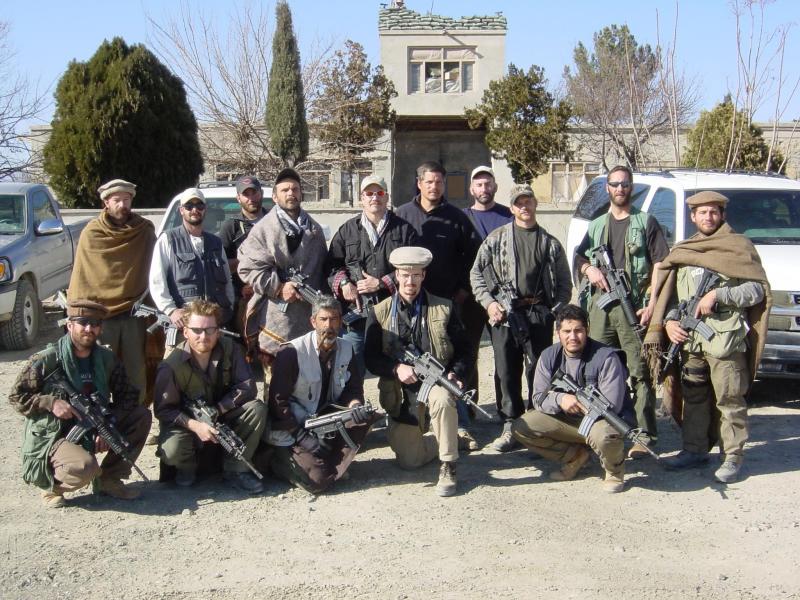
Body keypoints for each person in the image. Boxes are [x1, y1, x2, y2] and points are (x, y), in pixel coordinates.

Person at [644, 191, 771, 484]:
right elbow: (671, 296)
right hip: (691, 341)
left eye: (713, 212)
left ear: (722, 215)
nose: (708, 217)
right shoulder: (685, 250)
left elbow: (756, 290)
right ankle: (694, 449)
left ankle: (732, 456)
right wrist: (670, 322)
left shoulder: (738, 247)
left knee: (730, 398)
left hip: (725, 340)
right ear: (693, 216)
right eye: (702, 213)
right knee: (694, 396)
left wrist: (719, 295)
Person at [9, 299, 151, 508]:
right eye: (83, 323)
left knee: (141, 415)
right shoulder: (47, 359)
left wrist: (107, 425)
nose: (89, 329)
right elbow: (16, 396)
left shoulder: (106, 359)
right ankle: (52, 486)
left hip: (92, 424)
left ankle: (109, 479)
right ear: (70, 325)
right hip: (55, 434)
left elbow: (128, 396)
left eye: (95, 324)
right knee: (85, 467)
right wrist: (50, 402)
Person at [573, 165, 669, 456]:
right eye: (614, 184)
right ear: (607, 188)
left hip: (634, 309)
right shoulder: (596, 225)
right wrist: (589, 270)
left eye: (624, 184)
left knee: (640, 371)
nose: (619, 189)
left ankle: (645, 435)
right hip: (601, 311)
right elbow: (579, 256)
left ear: (631, 187)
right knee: (598, 369)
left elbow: (660, 264)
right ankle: (605, 428)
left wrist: (652, 303)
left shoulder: (646, 222)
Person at [364, 247, 475, 497]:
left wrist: (456, 374)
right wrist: (395, 368)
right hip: (401, 395)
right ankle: (450, 438)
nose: (410, 282)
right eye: (405, 275)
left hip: (434, 386)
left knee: (444, 399)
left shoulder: (444, 307)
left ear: (424, 275)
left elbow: (465, 351)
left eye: (416, 275)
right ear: (396, 275)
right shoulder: (379, 312)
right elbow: (370, 358)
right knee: (410, 461)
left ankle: (448, 465)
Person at [471, 184, 573, 452]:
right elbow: (476, 274)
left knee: (539, 369)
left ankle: (537, 421)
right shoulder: (496, 239)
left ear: (535, 204)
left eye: (528, 202)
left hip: (539, 313)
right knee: (506, 370)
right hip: (505, 315)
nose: (524, 207)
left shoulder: (550, 243)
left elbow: (565, 281)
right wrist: (490, 303)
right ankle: (511, 424)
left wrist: (555, 311)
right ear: (512, 208)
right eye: (519, 203)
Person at [395, 161, 483, 451]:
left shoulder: (457, 218)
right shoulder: (402, 215)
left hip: (447, 304)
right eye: (429, 182)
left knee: (451, 360)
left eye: (439, 182)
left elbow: (474, 258)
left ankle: (462, 424)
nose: (435, 187)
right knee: (416, 361)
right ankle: (417, 419)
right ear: (419, 183)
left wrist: (463, 291)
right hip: (411, 303)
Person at [511, 304, 629, 493]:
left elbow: (613, 405)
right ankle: (575, 456)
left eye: (578, 330)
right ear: (558, 332)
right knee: (521, 427)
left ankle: (614, 471)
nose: (572, 337)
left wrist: (580, 403)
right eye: (567, 331)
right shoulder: (548, 356)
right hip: (567, 421)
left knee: (605, 435)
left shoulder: (606, 357)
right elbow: (538, 398)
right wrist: (560, 399)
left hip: (600, 420)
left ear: (587, 330)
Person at [153, 299, 267, 494]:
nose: (203, 336)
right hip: (188, 424)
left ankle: (235, 469)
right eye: (196, 330)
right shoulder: (171, 366)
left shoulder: (231, 349)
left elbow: (247, 387)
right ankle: (187, 468)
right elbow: (164, 410)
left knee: (257, 409)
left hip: (222, 416)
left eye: (209, 330)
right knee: (172, 448)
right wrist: (195, 425)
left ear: (218, 331)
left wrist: (219, 409)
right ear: (185, 332)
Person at [268, 296, 375, 493]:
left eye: (334, 319)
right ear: (313, 321)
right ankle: (280, 462)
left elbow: (353, 389)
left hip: (324, 422)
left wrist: (355, 405)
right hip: (294, 428)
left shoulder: (347, 348)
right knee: (319, 481)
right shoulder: (291, 352)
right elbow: (277, 403)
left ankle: (326, 464)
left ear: (340, 321)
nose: (329, 325)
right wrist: (304, 439)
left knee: (363, 417)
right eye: (323, 319)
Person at [68, 178, 156, 404]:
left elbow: (156, 271)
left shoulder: (144, 231)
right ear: (106, 202)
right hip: (100, 317)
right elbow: (82, 276)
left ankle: (136, 415)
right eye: (117, 200)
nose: (122, 205)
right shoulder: (92, 233)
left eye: (127, 199)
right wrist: (78, 315)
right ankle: (101, 415)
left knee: (136, 371)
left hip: (135, 313)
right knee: (100, 369)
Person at [326, 174, 418, 378]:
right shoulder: (347, 230)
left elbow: (413, 268)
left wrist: (382, 282)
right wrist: (344, 284)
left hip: (394, 316)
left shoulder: (404, 230)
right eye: (369, 193)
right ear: (362, 198)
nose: (374, 197)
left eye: (380, 193)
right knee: (349, 373)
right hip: (356, 319)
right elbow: (332, 265)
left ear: (387, 197)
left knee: (394, 376)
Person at [237, 168, 328, 360]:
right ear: (274, 196)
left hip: (308, 322)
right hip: (274, 323)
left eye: (295, 189)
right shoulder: (262, 229)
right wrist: (279, 288)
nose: (290, 193)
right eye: (285, 190)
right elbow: (247, 269)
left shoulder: (315, 230)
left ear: (301, 194)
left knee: (308, 375)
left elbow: (324, 271)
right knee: (276, 377)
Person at [149, 187, 235, 338]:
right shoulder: (167, 239)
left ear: (205, 209)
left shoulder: (216, 242)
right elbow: (157, 281)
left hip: (214, 325)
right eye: (189, 206)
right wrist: (171, 310)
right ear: (181, 210)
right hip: (183, 326)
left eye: (199, 205)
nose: (195, 210)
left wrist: (228, 308)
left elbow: (227, 280)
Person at [219, 175, 270, 335]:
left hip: (272, 293)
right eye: (246, 194)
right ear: (238, 198)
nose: (251, 198)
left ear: (261, 193)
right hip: (241, 296)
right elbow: (222, 266)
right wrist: (247, 263)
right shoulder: (230, 227)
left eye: (254, 193)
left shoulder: (274, 221)